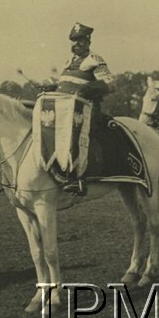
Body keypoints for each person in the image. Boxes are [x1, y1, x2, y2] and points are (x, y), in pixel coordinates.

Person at [42, 22, 115, 194]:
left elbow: (111, 84)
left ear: (88, 41)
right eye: (74, 40)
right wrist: (50, 88)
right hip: (63, 110)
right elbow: (63, 85)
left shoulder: (94, 60)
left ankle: (76, 177)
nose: (76, 44)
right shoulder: (68, 63)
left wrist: (89, 88)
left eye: (80, 40)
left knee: (73, 131)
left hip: (86, 111)